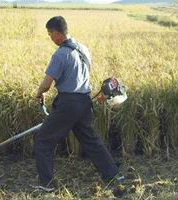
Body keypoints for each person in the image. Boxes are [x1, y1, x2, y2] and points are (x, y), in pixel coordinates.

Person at [32, 16, 121, 192]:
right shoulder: (84, 49)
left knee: (43, 140)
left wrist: (39, 93)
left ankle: (47, 185)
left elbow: (47, 83)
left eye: (50, 34)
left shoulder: (60, 54)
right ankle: (112, 174)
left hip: (68, 104)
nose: (50, 38)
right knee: (90, 140)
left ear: (57, 33)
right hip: (85, 102)